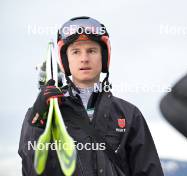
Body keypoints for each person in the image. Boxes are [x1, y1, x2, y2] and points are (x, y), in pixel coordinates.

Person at [18, 16, 164, 176]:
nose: (84, 58)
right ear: (66, 61)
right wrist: (37, 125)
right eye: (75, 51)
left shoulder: (129, 114)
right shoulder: (45, 114)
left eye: (92, 51)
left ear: (104, 57)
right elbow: (31, 172)